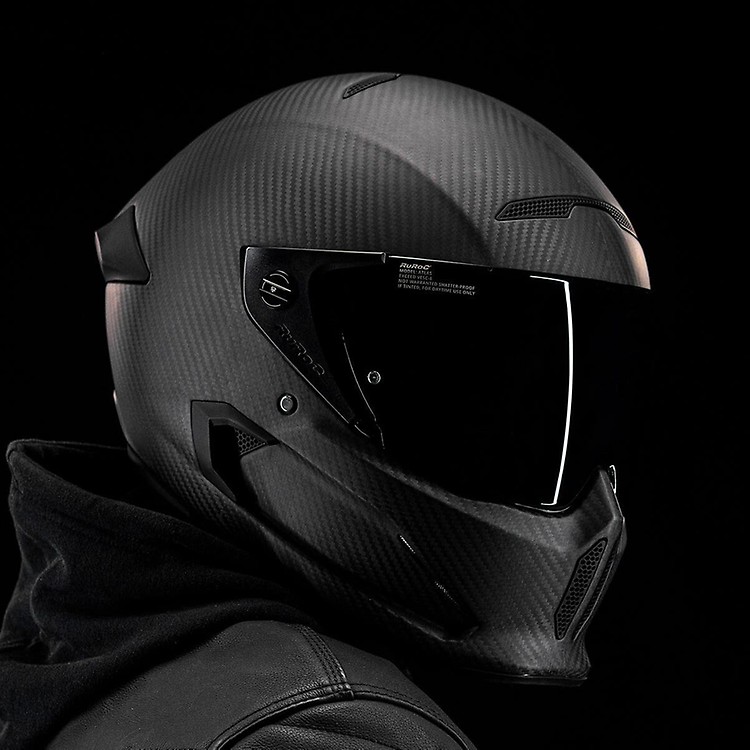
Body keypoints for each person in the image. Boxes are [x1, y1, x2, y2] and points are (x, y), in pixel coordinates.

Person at [0, 72, 650, 749]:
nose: (523, 427)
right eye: (440, 370)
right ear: (242, 343)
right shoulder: (325, 734)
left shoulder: (55, 672)